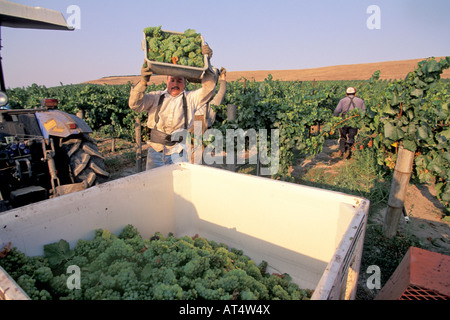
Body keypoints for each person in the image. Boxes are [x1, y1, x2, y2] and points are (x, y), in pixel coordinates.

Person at [128, 44, 218, 170]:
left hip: (179, 152)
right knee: (155, 186)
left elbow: (208, 88)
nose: (175, 84)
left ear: (185, 83)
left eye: (179, 81)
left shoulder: (191, 98)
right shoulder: (156, 97)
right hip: (156, 152)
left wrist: (207, 63)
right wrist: (143, 81)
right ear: (167, 81)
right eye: (172, 80)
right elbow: (134, 104)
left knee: (180, 184)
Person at [188, 67, 227, 163]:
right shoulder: (192, 100)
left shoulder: (210, 106)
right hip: (188, 137)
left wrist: (223, 79)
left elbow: (221, 92)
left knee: (197, 159)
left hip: (199, 138)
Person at [333, 87, 365, 159]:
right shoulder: (360, 101)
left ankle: (342, 149)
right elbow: (363, 111)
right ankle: (349, 146)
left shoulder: (342, 100)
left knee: (343, 135)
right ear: (355, 93)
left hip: (344, 120)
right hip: (355, 120)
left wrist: (335, 118)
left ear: (346, 94)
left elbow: (337, 111)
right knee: (352, 135)